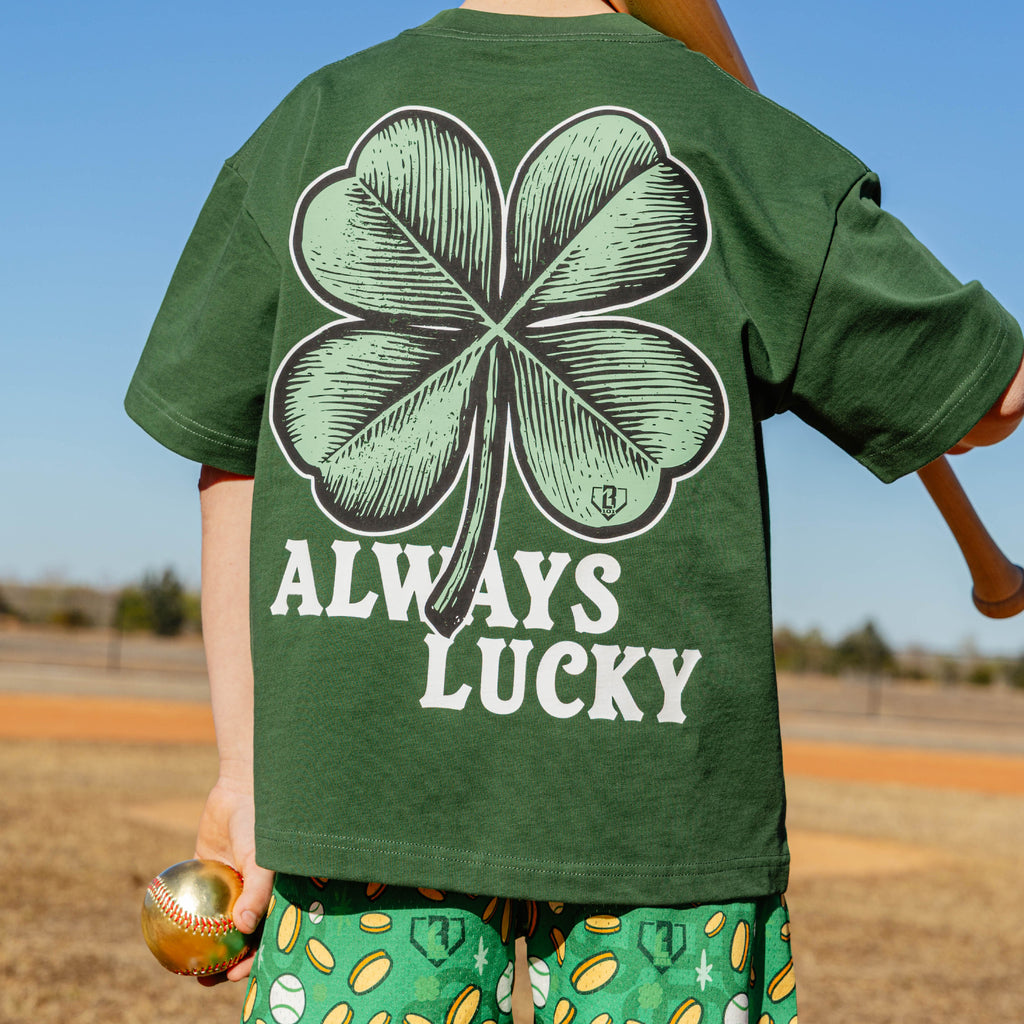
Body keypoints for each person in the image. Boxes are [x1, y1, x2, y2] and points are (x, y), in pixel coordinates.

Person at [125, 1, 1024, 1021]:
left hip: (353, 811)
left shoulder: (317, 116)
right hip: (659, 833)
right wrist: (797, 199)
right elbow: (989, 401)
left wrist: (246, 775)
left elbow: (236, 458)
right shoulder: (733, 139)